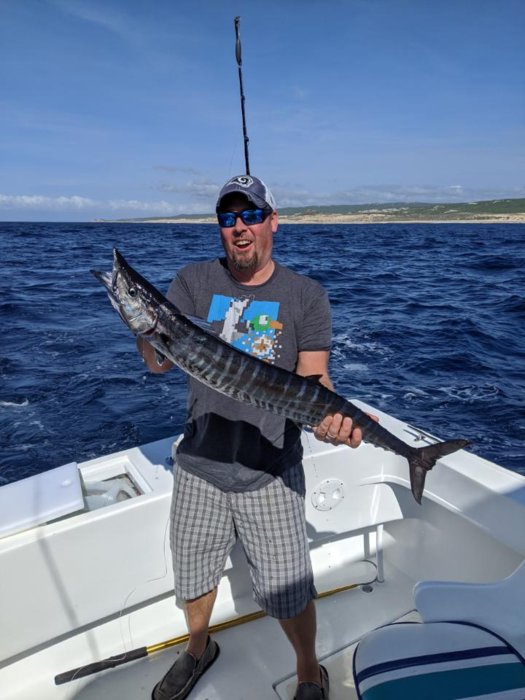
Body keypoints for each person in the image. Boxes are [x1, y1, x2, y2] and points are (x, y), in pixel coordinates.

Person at [138, 175, 366, 700]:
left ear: (272, 221)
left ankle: (307, 670)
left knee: (289, 592)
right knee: (194, 576)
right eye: (228, 218)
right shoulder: (193, 281)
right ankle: (199, 649)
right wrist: (143, 327)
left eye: (251, 215)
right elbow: (156, 363)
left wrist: (330, 418)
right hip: (199, 463)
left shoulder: (305, 295)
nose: (239, 227)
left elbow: (315, 379)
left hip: (271, 470)